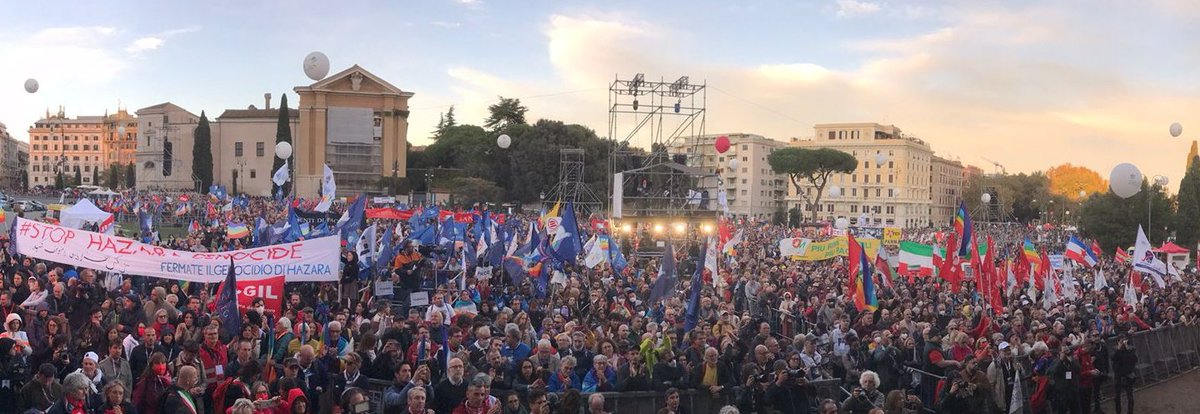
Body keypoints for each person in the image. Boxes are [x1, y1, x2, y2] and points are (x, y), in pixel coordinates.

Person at [1111, 334, 1138, 414]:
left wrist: (1127, 348)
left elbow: (1134, 359)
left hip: (1128, 375)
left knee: (1130, 397)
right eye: (1121, 340)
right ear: (1118, 342)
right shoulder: (1115, 350)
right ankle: (1118, 412)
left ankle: (1130, 412)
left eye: (1124, 340)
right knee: (1117, 397)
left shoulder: (1130, 349)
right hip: (1118, 375)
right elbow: (1113, 358)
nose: (1123, 342)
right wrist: (1119, 348)